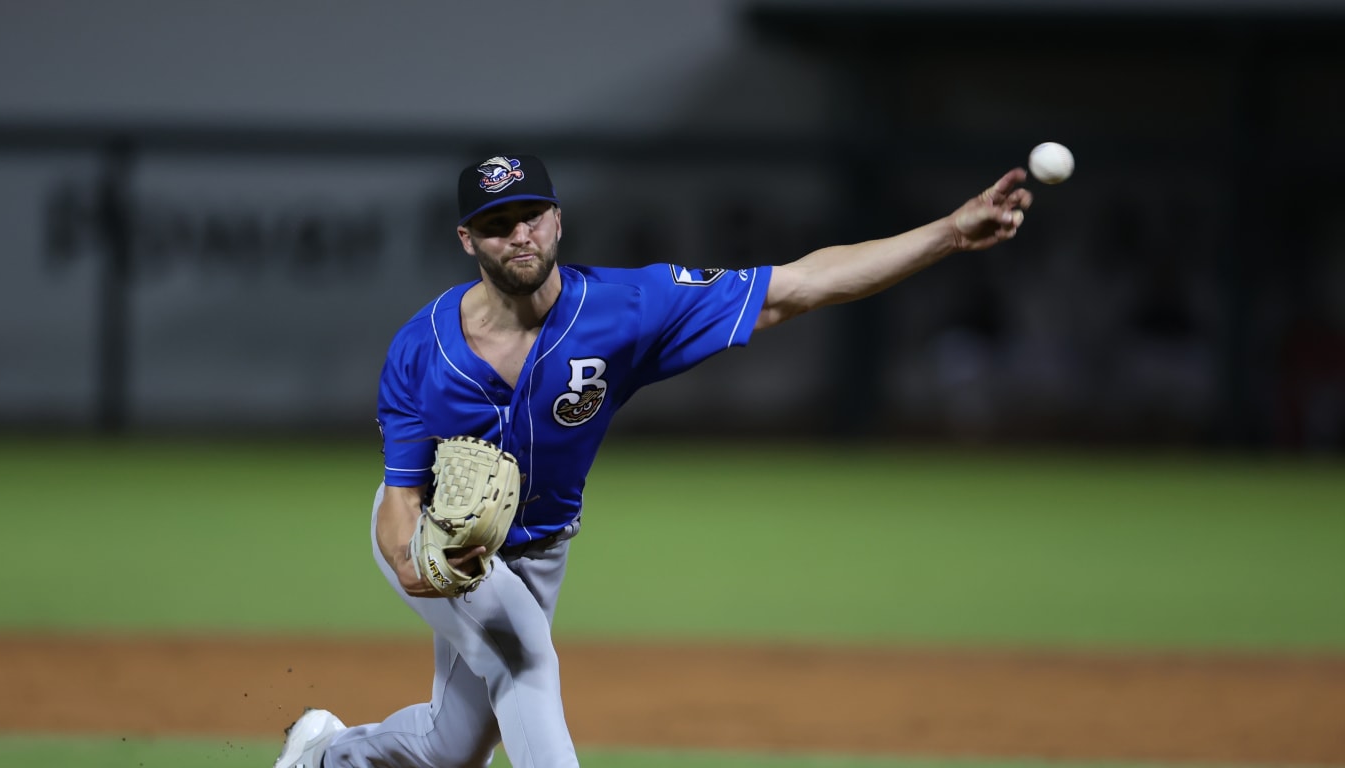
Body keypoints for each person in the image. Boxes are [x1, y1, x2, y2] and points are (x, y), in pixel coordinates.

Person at [274, 154, 1032, 768]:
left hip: (542, 551)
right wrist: (412, 563)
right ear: (468, 240)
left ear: (558, 220)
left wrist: (948, 233)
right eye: (497, 224)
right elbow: (401, 498)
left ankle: (326, 756)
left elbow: (797, 286)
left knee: (455, 748)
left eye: (531, 215)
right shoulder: (422, 349)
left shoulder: (626, 309)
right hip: (444, 548)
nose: (520, 235)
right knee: (525, 660)